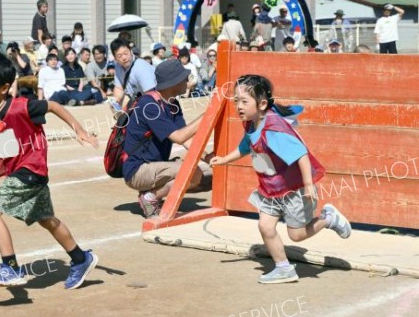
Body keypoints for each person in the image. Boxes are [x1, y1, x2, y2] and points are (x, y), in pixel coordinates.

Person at [0, 53, 99, 288]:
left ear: (5, 87)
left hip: (31, 169)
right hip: (26, 173)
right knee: (47, 220)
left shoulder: (21, 107)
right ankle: (81, 258)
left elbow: (54, 105)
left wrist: (79, 130)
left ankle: (9, 267)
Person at [210, 75, 351, 283]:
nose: (238, 106)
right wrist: (224, 160)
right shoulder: (251, 124)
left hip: (293, 190)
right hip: (271, 190)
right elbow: (245, 146)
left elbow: (301, 154)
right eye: (236, 101)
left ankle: (328, 219)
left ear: (262, 104)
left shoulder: (273, 129)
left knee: (297, 235)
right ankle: (284, 268)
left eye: (244, 101)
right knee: (265, 226)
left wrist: (309, 185)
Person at [123, 59, 213, 217]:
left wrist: (207, 157)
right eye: (184, 78)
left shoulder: (173, 104)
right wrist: (208, 114)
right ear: (174, 82)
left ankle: (153, 191)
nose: (187, 80)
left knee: (211, 174)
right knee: (193, 172)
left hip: (155, 165)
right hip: (138, 170)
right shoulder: (149, 105)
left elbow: (186, 139)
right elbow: (179, 137)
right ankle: (150, 197)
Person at [111, 38, 156, 105]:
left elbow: (152, 93)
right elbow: (118, 88)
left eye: (126, 53)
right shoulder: (118, 66)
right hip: (138, 100)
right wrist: (115, 102)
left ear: (131, 51)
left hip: (152, 101)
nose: (124, 58)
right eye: (119, 56)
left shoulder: (140, 66)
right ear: (115, 58)